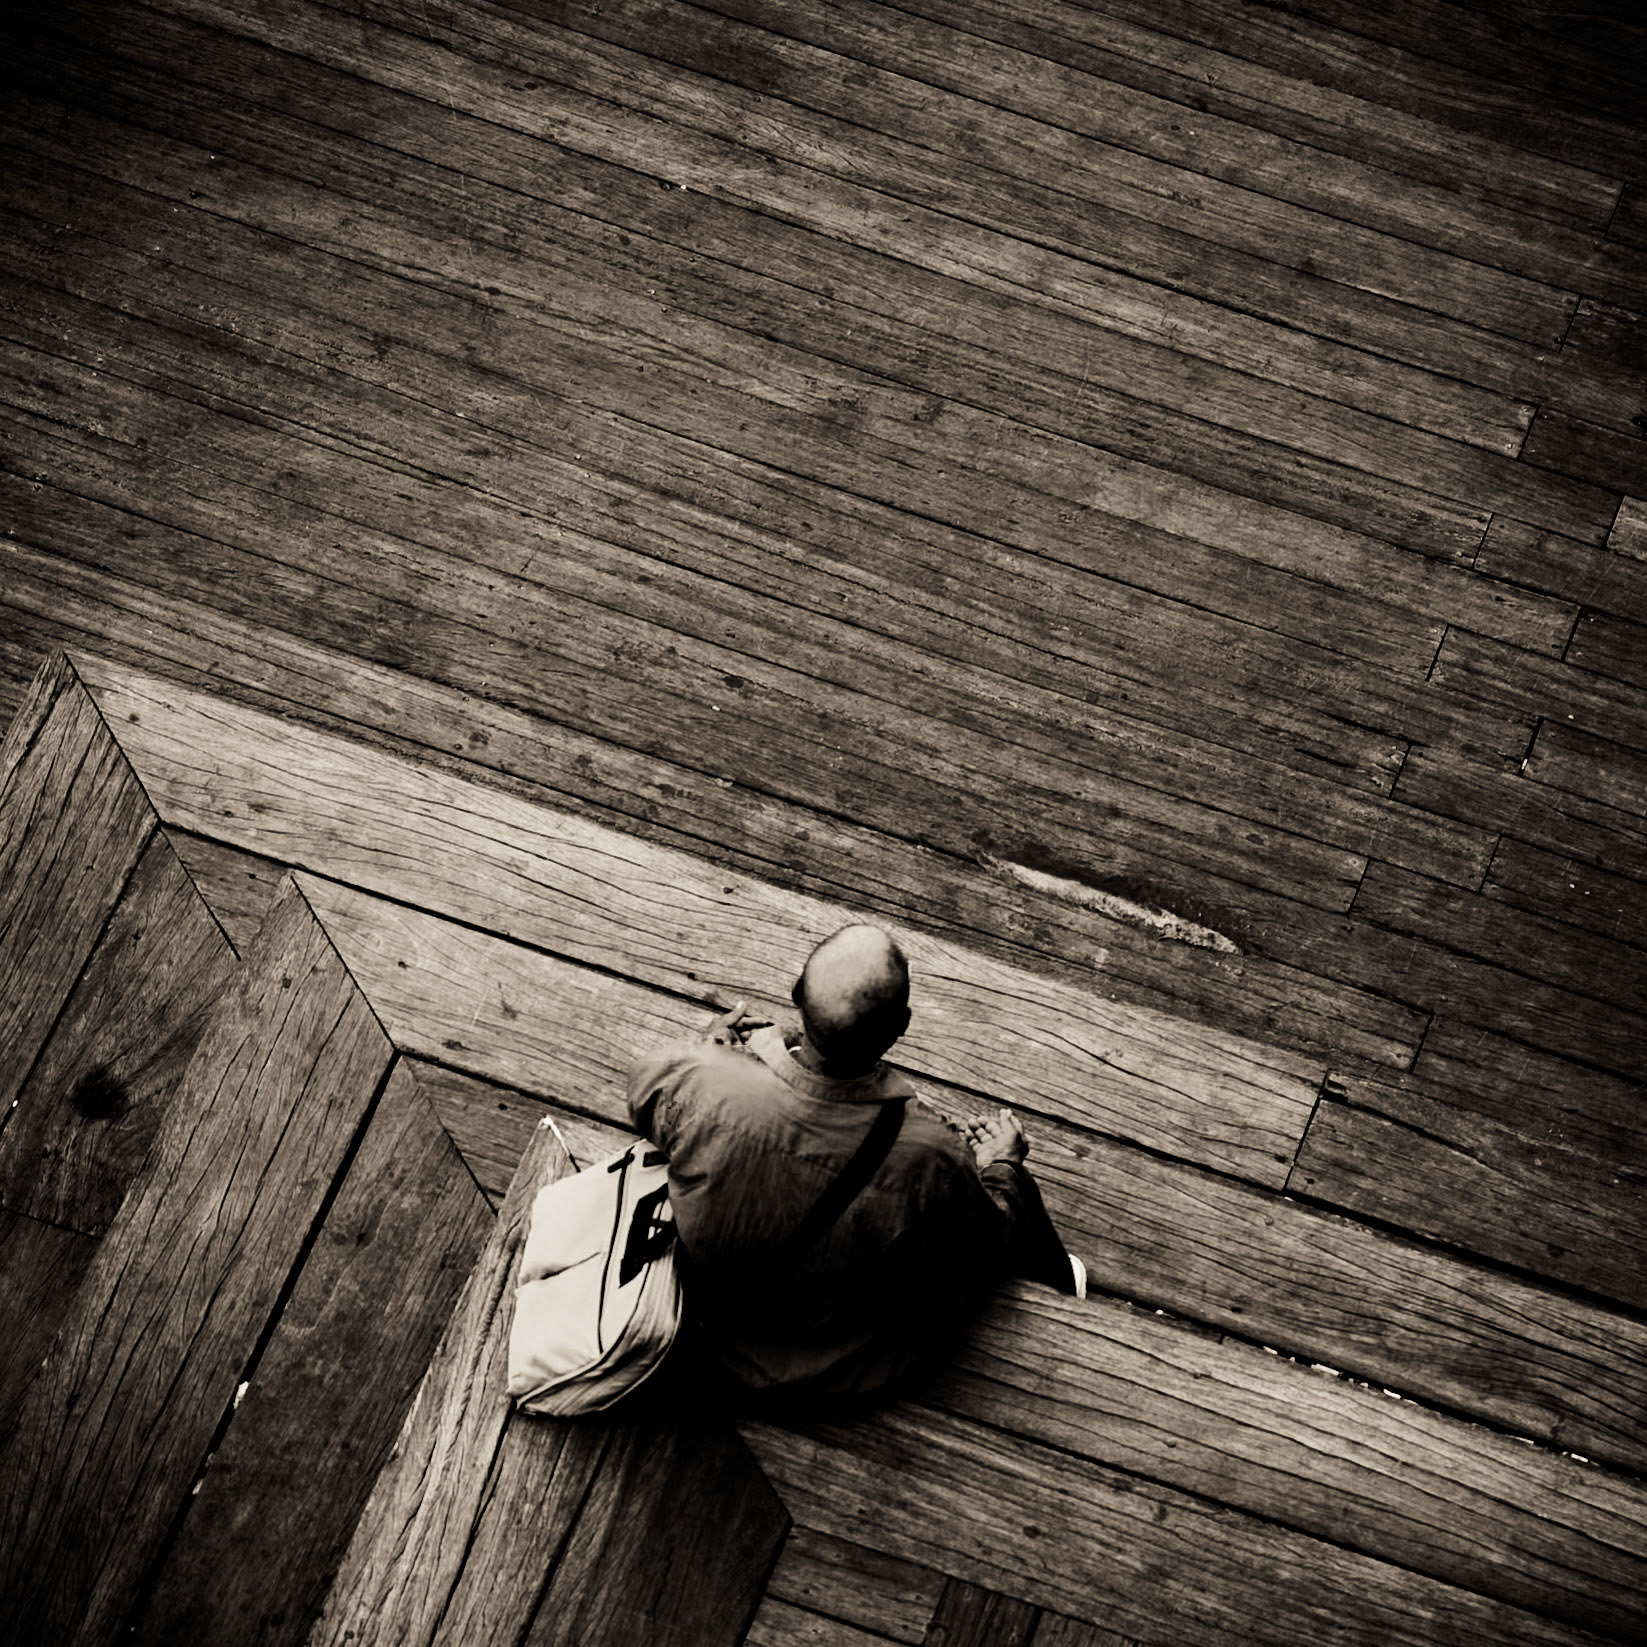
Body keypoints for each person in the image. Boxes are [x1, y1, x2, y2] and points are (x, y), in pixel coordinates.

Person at [626, 922, 1083, 1411]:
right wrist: (1002, 1166)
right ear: (901, 1027)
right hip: (843, 1367)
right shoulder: (930, 1153)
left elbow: (644, 1102)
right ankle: (1067, 1284)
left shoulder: (699, 1075)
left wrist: (715, 1053)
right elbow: (989, 1245)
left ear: (796, 993)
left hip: (699, 1323)